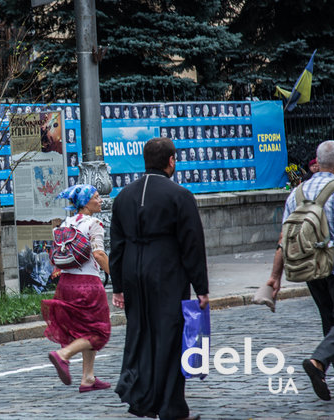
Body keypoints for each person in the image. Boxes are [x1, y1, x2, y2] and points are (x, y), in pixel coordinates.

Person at [110, 137, 209, 420]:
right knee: (169, 337)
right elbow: (192, 244)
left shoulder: (124, 195)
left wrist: (117, 286)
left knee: (141, 335)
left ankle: (141, 398)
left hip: (133, 273)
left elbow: (115, 245)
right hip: (166, 272)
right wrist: (201, 287)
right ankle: (171, 407)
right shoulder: (180, 195)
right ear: (171, 161)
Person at [264, 141, 334, 401]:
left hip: (308, 267)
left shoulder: (297, 193)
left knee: (329, 320)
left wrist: (275, 276)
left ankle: (321, 368)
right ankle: (318, 362)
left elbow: (284, 239)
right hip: (333, 264)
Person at [42, 184, 112, 393]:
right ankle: (63, 355)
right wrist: (117, 275)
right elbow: (98, 254)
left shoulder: (67, 222)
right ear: (86, 202)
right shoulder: (94, 223)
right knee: (100, 331)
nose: (101, 201)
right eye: (97, 197)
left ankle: (88, 378)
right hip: (88, 285)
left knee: (85, 329)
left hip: (66, 284)